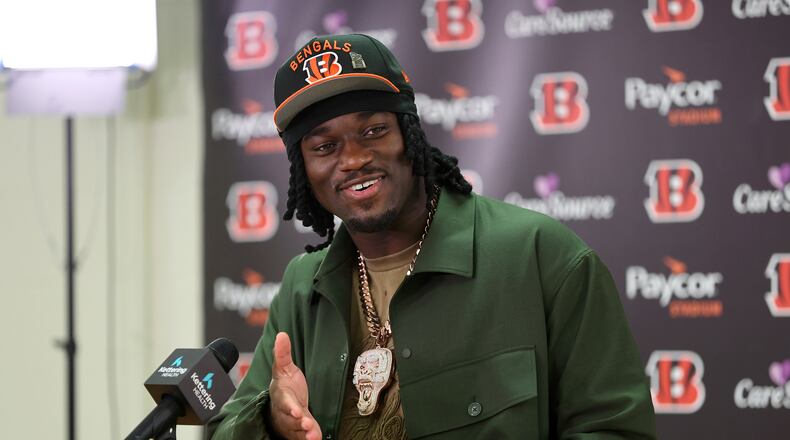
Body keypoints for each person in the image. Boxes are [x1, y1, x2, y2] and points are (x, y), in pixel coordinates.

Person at [208, 33, 656, 440]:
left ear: (410, 132)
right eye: (325, 147)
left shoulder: (541, 256)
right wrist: (270, 421)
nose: (353, 159)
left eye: (373, 131)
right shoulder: (304, 285)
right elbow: (227, 429)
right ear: (304, 171)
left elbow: (614, 430)